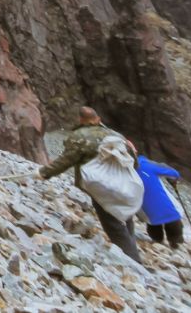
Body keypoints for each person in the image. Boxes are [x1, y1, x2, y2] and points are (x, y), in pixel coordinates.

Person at [39, 106, 144, 264]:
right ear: (98, 119)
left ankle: (133, 263)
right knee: (125, 217)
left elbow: (66, 161)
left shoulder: (79, 136)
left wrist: (44, 172)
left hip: (101, 187)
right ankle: (132, 253)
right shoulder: (116, 136)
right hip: (124, 184)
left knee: (113, 224)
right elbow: (134, 162)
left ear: (81, 119)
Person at [137, 155, 184, 248]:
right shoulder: (147, 164)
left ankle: (157, 241)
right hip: (169, 210)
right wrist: (173, 180)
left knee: (153, 224)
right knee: (174, 223)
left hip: (147, 214)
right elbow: (173, 173)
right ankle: (175, 245)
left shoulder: (122, 172)